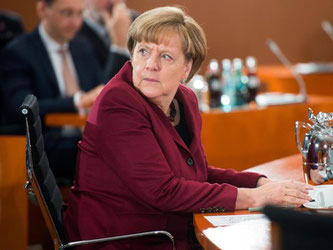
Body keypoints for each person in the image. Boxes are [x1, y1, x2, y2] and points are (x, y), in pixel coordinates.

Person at [63, 6, 313, 249]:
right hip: (125, 239)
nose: (151, 64)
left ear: (187, 68)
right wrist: (254, 197)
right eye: (143, 51)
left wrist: (259, 183)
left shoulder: (185, 100)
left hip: (167, 232)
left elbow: (198, 173)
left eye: (165, 56)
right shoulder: (117, 103)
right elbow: (162, 191)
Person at [0, 0, 104, 182]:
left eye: (80, 14)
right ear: (42, 9)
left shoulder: (83, 47)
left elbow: (100, 92)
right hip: (45, 144)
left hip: (85, 138)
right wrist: (77, 101)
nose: (76, 22)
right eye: (67, 13)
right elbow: (20, 107)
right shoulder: (17, 52)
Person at [79, 0, 138, 80]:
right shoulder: (74, 34)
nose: (112, 2)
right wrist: (119, 46)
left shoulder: (137, 22)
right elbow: (104, 88)